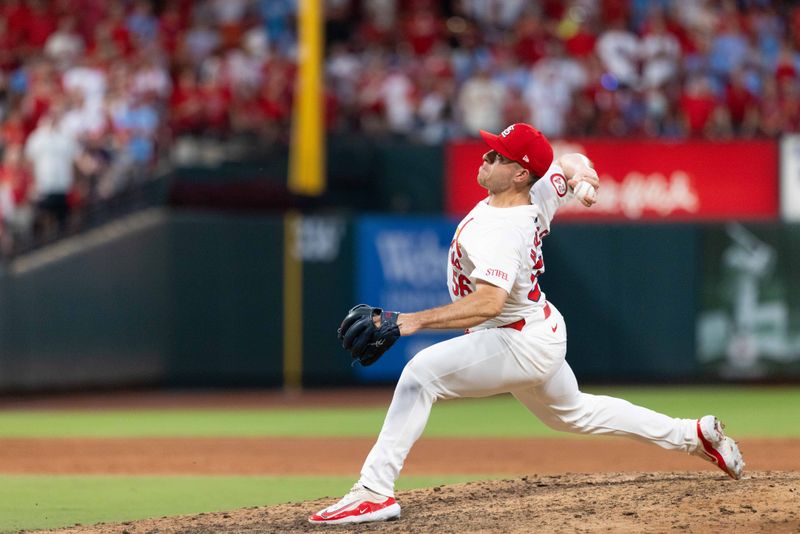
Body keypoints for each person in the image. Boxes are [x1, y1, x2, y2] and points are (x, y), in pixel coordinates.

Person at [309, 123, 744, 525]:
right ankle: (693, 435)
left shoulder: (500, 230)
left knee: (420, 376)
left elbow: (488, 302)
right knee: (574, 413)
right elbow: (570, 162)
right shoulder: (535, 194)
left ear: (519, 173)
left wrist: (406, 322)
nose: (487, 158)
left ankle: (374, 490)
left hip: (517, 338)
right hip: (536, 328)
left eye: (498, 156)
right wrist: (585, 179)